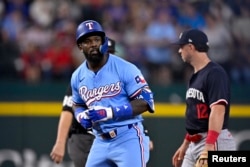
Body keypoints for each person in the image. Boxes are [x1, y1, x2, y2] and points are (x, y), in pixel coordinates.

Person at [71, 20, 155, 167]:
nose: (93, 44)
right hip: (100, 141)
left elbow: (145, 102)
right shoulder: (77, 76)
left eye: (97, 39)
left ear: (103, 41)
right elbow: (77, 104)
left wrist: (109, 112)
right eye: (88, 41)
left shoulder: (125, 68)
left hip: (127, 137)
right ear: (80, 46)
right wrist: (80, 115)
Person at [171, 29, 235, 167]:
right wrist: (185, 144)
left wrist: (210, 145)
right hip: (195, 142)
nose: (179, 51)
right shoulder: (194, 76)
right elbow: (196, 116)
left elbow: (218, 110)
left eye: (181, 47)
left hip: (213, 139)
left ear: (190, 47)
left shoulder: (215, 73)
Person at [50, 38, 117, 167]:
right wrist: (59, 143)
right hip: (83, 137)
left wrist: (143, 134)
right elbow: (68, 110)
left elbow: (131, 111)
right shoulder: (82, 76)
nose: (109, 56)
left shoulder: (120, 78)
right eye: (106, 52)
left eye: (111, 53)